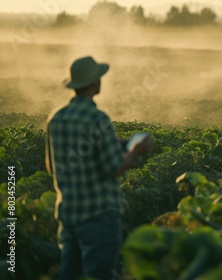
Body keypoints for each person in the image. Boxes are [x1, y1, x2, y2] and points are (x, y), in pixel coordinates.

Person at [45, 56, 153, 280]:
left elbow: (50, 166)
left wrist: (114, 143)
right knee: (98, 274)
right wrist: (135, 150)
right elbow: (114, 167)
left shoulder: (56, 118)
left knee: (69, 273)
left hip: (68, 213)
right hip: (98, 215)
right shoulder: (97, 118)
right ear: (94, 84)